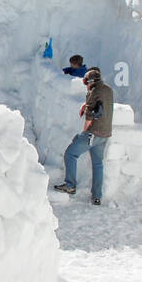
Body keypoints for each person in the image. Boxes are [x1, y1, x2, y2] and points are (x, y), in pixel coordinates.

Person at [52, 67, 114, 205]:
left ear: (91, 81)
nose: (86, 86)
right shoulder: (108, 90)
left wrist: (84, 133)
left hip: (93, 133)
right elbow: (101, 105)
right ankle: (97, 196)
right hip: (106, 133)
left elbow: (90, 116)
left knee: (70, 154)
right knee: (98, 164)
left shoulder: (94, 92)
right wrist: (87, 104)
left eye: (86, 83)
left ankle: (70, 185)